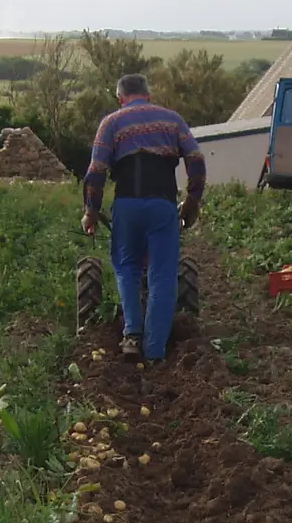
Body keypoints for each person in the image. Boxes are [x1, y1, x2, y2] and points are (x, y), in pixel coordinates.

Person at [81, 73, 205, 363]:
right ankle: (155, 352)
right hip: (163, 204)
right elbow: (196, 160)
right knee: (162, 275)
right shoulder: (172, 120)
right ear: (148, 95)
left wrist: (91, 211)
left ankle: (132, 334)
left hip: (127, 205)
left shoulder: (111, 123)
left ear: (120, 98)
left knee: (127, 267)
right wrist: (192, 200)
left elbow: (96, 172)